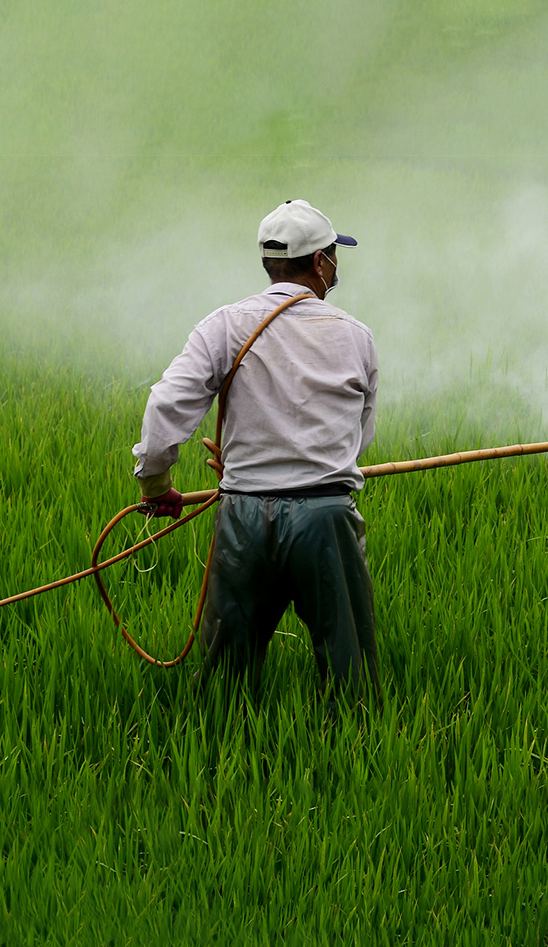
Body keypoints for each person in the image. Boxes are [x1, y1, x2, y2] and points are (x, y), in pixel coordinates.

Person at [131, 199, 379, 694]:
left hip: (244, 515)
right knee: (352, 675)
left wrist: (157, 485)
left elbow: (165, 407)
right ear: (317, 262)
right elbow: (359, 435)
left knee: (227, 679)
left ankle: (217, 753)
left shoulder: (223, 325)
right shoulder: (355, 337)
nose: (335, 265)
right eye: (333, 254)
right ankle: (357, 748)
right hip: (326, 516)